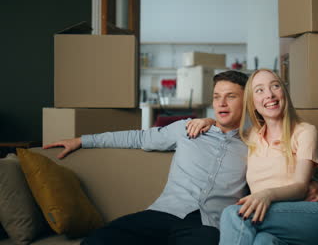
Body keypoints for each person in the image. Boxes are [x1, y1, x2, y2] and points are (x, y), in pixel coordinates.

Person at [43, 70, 250, 245]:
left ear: (247, 100)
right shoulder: (186, 129)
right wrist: (82, 140)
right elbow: (137, 138)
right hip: (164, 213)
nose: (221, 103)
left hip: (207, 226)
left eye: (231, 96)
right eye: (216, 96)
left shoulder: (257, 145)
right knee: (97, 241)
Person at [187, 69, 318, 245]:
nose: (270, 95)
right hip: (269, 220)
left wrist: (267, 195)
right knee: (263, 241)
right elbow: (227, 124)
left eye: (275, 86)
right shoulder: (251, 136)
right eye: (259, 90)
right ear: (252, 102)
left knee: (235, 214)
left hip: (311, 218)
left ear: (284, 93)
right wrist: (208, 121)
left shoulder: (304, 131)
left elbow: (301, 187)